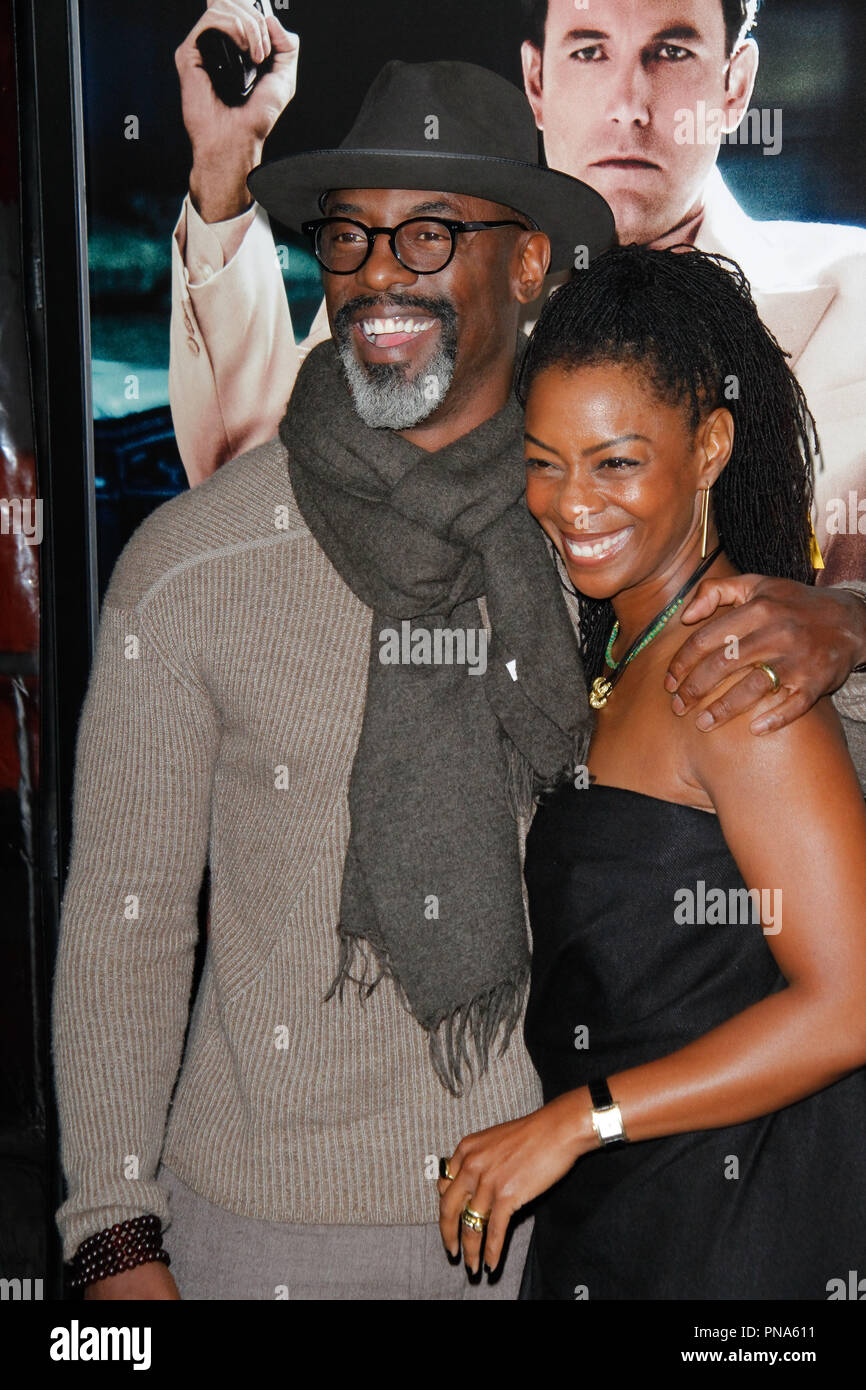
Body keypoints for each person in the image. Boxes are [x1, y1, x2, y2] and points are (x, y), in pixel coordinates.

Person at [51, 59, 614, 1301]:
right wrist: (111, 1242)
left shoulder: (596, 540)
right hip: (258, 1238)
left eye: (426, 232)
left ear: (527, 265)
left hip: (572, 1221)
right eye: (350, 235)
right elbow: (125, 922)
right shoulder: (195, 562)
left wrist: (838, 630)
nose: (375, 273)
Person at [436, 245, 866, 1300]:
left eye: (615, 461)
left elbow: (851, 1003)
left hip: (733, 1237)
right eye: (543, 460)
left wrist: (576, 1122)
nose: (571, 503)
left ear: (710, 444)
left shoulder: (732, 679)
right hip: (639, 1215)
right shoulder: (626, 651)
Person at [169, 0, 866, 585]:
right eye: (590, 52)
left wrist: (853, 619)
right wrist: (227, 157)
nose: (629, 106)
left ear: (735, 87)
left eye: (671, 53)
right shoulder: (440, 283)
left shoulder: (855, 294)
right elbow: (253, 492)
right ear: (537, 82)